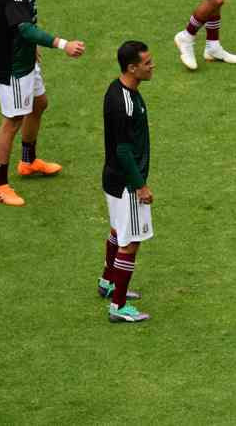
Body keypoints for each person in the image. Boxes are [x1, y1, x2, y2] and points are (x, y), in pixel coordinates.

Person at [0, 0, 85, 207]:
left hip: (25, 57)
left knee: (39, 104)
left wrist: (30, 46)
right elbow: (24, 28)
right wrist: (63, 44)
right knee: (12, 121)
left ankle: (28, 161)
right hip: (14, 67)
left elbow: (18, 24)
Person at [101, 41, 155, 321]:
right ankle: (118, 307)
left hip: (113, 178)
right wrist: (140, 185)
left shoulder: (123, 91)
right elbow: (123, 149)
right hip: (125, 182)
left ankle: (108, 282)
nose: (152, 66)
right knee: (130, 242)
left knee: (117, 229)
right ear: (132, 68)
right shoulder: (122, 102)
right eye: (147, 63)